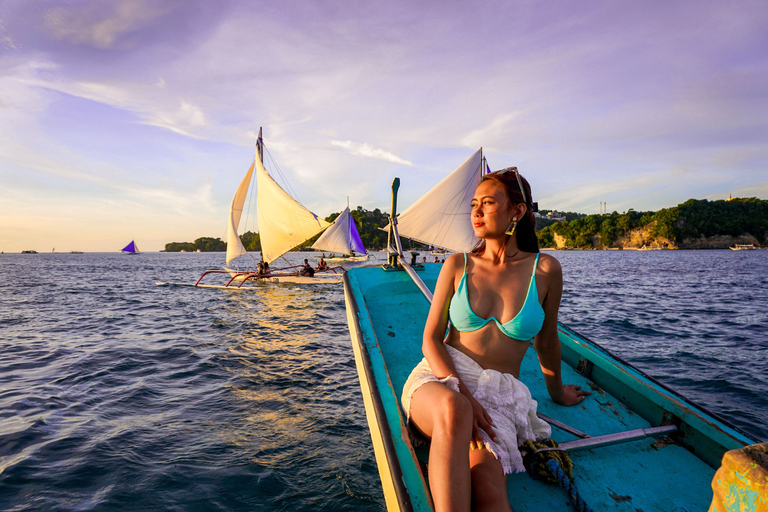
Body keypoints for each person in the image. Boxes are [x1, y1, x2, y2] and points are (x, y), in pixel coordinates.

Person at [400, 168, 589, 512]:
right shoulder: (457, 264)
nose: (476, 212)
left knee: (488, 482)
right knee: (454, 409)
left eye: (487, 203)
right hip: (442, 379)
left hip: (498, 395)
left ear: (516, 211)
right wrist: (465, 396)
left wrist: (558, 393)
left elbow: (546, 341)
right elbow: (431, 339)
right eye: (474, 204)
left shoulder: (544, 270)